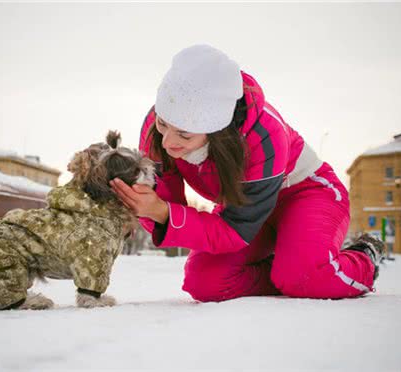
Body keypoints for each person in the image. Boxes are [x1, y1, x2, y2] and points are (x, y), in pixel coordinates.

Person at [110, 44, 385, 302]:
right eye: (163, 124)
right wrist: (150, 208)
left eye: (183, 133)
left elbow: (232, 231)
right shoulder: (160, 124)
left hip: (306, 194)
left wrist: (161, 212)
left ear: (217, 130)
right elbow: (161, 205)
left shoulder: (264, 135)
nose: (168, 141)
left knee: (304, 277)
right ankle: (290, 268)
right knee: (205, 282)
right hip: (244, 207)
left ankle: (362, 256)